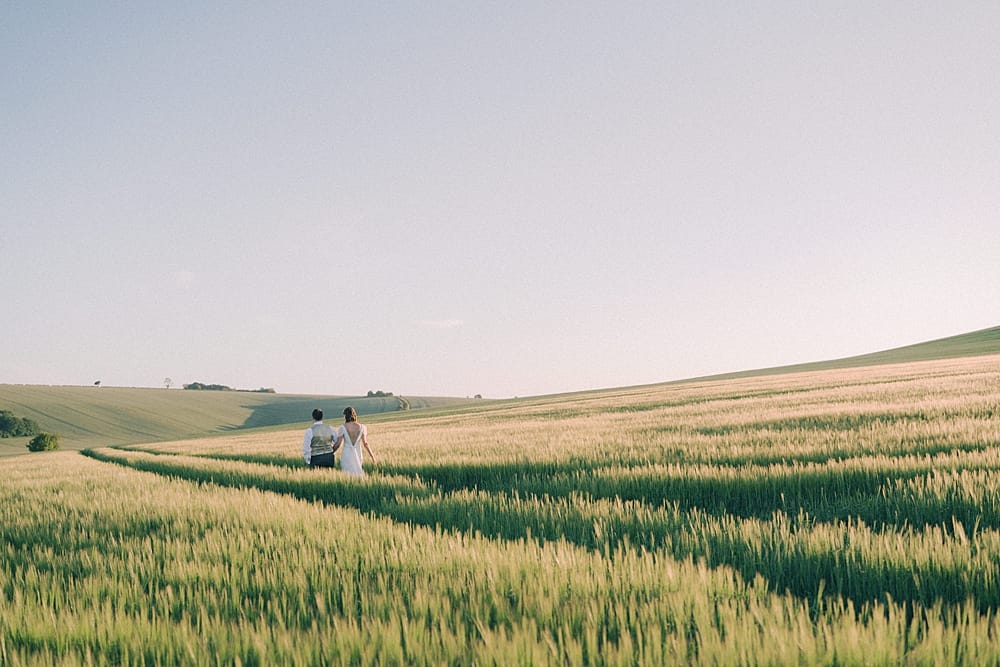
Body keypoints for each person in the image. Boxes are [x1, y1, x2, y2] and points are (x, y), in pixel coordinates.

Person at [334, 406, 377, 476]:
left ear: (345, 416)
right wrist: (372, 456)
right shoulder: (362, 427)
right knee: (358, 473)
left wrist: (331, 452)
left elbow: (338, 444)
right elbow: (365, 443)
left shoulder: (342, 427)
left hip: (346, 454)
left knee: (346, 475)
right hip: (358, 453)